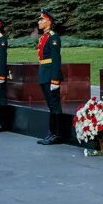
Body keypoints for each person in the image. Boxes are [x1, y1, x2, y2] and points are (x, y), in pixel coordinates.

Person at [36, 9, 64, 145]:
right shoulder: (44, 37)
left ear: (49, 22)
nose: (39, 22)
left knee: (54, 105)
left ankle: (57, 134)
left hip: (50, 75)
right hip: (44, 73)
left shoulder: (53, 37)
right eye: (39, 19)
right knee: (50, 105)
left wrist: (55, 79)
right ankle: (51, 132)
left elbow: (56, 59)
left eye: (42, 20)